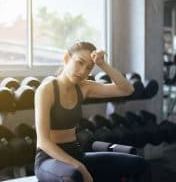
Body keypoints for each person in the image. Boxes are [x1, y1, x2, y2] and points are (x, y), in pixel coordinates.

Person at [34, 42, 151, 182]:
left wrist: (103, 64)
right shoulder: (46, 90)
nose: (83, 71)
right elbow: (43, 142)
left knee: (139, 165)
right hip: (49, 159)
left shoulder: (84, 87)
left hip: (76, 153)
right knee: (73, 175)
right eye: (79, 62)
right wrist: (80, 167)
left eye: (89, 67)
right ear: (66, 58)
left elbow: (127, 90)